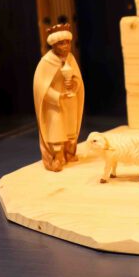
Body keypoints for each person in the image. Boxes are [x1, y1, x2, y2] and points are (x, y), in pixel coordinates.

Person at [33, 24, 85, 172]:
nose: (66, 46)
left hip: (69, 99)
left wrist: (73, 84)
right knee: (56, 127)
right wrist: (57, 96)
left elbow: (78, 79)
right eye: (61, 43)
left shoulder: (70, 58)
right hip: (54, 103)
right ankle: (58, 156)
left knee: (70, 126)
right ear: (54, 45)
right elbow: (41, 87)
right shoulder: (46, 62)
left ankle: (69, 152)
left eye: (67, 42)